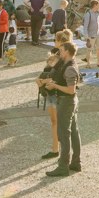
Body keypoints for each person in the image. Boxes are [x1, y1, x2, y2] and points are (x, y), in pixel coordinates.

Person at [44, 41, 82, 177]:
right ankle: (76, 163)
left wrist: (55, 86)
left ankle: (63, 166)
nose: (59, 53)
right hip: (70, 101)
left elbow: (71, 90)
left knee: (64, 134)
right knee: (74, 132)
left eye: (61, 50)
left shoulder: (70, 68)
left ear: (66, 51)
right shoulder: (68, 64)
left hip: (67, 101)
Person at [36, 29, 73, 161]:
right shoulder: (56, 53)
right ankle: (55, 148)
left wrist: (42, 81)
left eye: (55, 40)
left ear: (60, 41)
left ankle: (60, 151)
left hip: (56, 93)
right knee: (54, 122)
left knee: (59, 123)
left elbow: (56, 76)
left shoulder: (62, 57)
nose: (54, 42)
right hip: (50, 92)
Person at [81, 0, 99, 67]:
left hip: (98, 34)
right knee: (89, 50)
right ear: (95, 5)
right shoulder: (88, 14)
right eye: (98, 5)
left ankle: (98, 63)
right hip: (91, 35)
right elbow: (85, 27)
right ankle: (88, 64)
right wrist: (86, 36)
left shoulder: (98, 12)